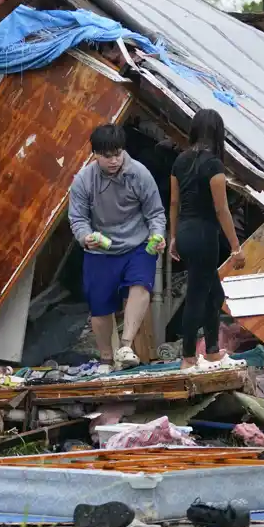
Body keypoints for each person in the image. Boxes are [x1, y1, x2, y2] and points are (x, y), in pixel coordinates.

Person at [69, 124, 167, 371]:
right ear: (95, 155)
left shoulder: (140, 174)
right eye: (107, 156)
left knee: (140, 285)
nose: (114, 160)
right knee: (99, 305)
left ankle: (125, 346)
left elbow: (155, 212)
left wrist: (158, 235)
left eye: (118, 154)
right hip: (100, 247)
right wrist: (85, 237)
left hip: (138, 243)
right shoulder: (83, 180)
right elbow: (78, 218)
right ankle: (105, 358)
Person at [168, 109, 247, 373]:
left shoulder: (180, 161)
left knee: (215, 293)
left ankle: (212, 351)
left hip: (186, 232)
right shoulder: (213, 164)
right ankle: (189, 356)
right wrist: (236, 247)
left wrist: (173, 237)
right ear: (217, 133)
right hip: (204, 234)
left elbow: (174, 202)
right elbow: (222, 209)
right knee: (197, 295)